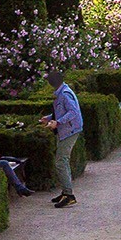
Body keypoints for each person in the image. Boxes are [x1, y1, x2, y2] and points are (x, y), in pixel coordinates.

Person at [41, 68, 83, 208]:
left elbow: (73, 112)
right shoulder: (62, 92)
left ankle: (69, 195)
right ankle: (65, 192)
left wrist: (57, 122)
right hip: (67, 130)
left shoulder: (64, 94)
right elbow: (61, 111)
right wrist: (48, 118)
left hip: (69, 130)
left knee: (61, 161)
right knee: (62, 161)